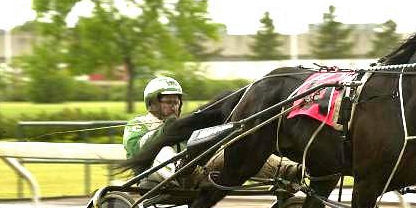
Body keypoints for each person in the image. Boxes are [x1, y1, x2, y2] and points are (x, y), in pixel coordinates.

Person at [122, 75, 301, 189]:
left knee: (242, 148)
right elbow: (140, 148)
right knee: (165, 151)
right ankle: (288, 170)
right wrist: (168, 128)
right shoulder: (136, 125)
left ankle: (289, 171)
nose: (173, 106)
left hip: (196, 171)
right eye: (167, 102)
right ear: (151, 103)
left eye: (176, 102)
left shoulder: (183, 126)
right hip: (155, 177)